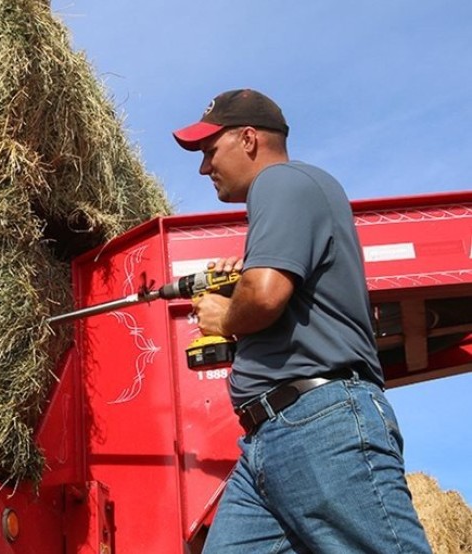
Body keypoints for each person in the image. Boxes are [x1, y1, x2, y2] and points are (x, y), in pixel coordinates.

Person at [173, 89, 431, 553]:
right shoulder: (291, 195)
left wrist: (224, 315)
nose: (203, 168)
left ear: (248, 139)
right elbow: (274, 300)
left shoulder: (282, 182)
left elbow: (266, 296)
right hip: (267, 439)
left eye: (210, 152)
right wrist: (243, 292)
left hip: (318, 423)